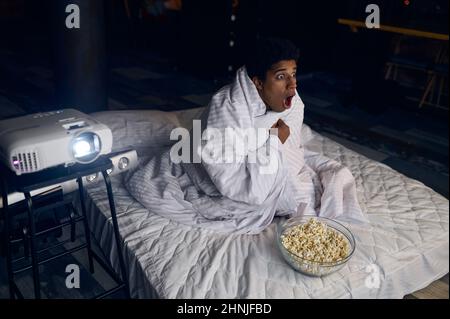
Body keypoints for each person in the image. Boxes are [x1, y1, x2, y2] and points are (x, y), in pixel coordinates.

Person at [125, 37, 367, 234]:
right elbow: (230, 177)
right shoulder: (228, 107)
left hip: (264, 164)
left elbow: (291, 150)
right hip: (218, 172)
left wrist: (273, 148)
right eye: (281, 76)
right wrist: (272, 139)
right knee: (249, 201)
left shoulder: (293, 100)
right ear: (258, 83)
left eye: (294, 74)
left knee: (306, 188)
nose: (292, 85)